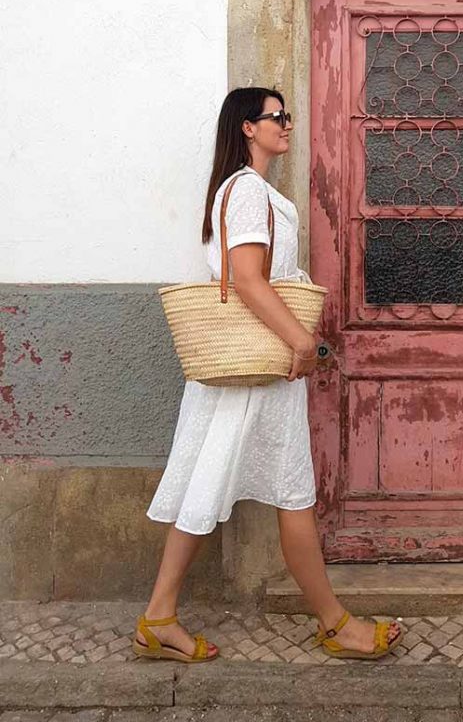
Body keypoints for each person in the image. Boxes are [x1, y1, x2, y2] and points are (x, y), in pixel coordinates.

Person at [132, 87, 403, 663]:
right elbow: (249, 279)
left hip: (255, 370)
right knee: (277, 493)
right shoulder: (248, 190)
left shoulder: (246, 191)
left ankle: (163, 617)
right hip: (254, 369)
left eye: (287, 116)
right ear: (247, 128)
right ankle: (332, 625)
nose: (287, 124)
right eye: (276, 117)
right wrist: (303, 340)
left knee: (278, 493)